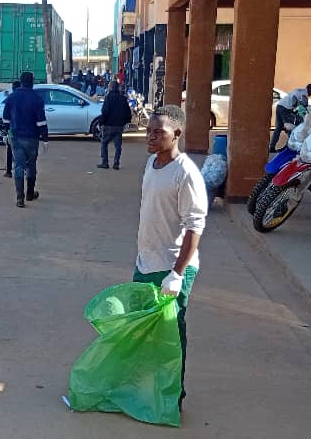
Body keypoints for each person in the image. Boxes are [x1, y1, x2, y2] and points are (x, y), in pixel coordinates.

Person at [134, 105, 208, 410]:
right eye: (149, 131)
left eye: (158, 132)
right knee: (143, 331)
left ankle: (171, 396)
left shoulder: (186, 173)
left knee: (171, 333)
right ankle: (148, 387)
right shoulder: (151, 163)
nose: (150, 137)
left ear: (176, 133)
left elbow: (195, 226)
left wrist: (177, 274)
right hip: (145, 263)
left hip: (172, 267)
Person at [2, 71, 48, 208]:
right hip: (32, 138)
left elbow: (5, 119)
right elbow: (41, 121)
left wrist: (6, 133)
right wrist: (45, 138)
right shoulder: (37, 99)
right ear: (32, 82)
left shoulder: (12, 98)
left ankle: (19, 198)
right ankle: (30, 193)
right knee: (31, 165)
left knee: (19, 166)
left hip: (16, 137)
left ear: (21, 82)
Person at [271, 83, 311, 152]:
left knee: (278, 128)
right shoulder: (304, 94)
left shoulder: (299, 90)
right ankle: (289, 148)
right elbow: (304, 107)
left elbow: (295, 104)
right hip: (285, 109)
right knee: (290, 128)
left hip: (280, 106)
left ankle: (272, 147)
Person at [98, 81, 130, 170]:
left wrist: (101, 122)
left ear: (110, 88)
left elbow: (104, 111)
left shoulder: (108, 98)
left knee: (104, 143)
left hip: (109, 125)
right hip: (119, 126)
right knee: (118, 146)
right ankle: (116, 163)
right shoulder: (123, 98)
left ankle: (105, 162)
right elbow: (127, 113)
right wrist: (124, 122)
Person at [3, 80, 21, 179]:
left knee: (10, 148)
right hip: (23, 129)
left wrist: (7, 131)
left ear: (13, 88)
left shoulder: (10, 98)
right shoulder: (25, 97)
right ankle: (25, 169)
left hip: (12, 129)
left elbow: (5, 117)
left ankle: (9, 171)